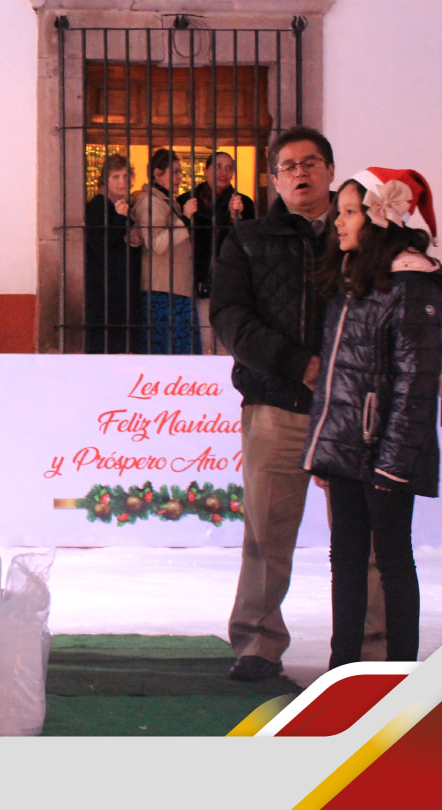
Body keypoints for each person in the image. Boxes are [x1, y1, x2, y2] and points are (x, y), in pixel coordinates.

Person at [211, 126, 365, 681]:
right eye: (289, 165)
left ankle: (369, 649)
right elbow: (229, 317)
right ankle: (257, 644)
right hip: (275, 404)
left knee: (360, 536)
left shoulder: (361, 234)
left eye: (312, 162)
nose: (301, 172)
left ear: (329, 171)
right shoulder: (248, 238)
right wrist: (296, 363)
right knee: (267, 533)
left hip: (348, 409)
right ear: (273, 178)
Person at [302, 168, 441, 669]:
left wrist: (395, 463)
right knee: (347, 561)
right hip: (347, 449)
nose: (338, 222)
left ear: (380, 217)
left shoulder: (412, 283)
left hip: (385, 455)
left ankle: (401, 674)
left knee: (393, 561)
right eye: (339, 212)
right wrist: (326, 448)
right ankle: (342, 670)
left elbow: (417, 383)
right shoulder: (351, 279)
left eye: (349, 212)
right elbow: (338, 374)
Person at [178, 151, 255, 353]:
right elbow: (179, 240)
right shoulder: (186, 201)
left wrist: (235, 219)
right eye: (218, 166)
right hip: (196, 277)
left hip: (230, 280)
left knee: (226, 343)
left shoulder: (244, 203)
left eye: (229, 168)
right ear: (206, 170)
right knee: (202, 340)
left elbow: (250, 244)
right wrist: (187, 217)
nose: (224, 172)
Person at [132, 148, 200, 354]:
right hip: (161, 292)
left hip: (176, 290)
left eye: (181, 172)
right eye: (175, 172)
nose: (180, 178)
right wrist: (185, 220)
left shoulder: (167, 202)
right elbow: (157, 244)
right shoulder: (149, 203)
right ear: (157, 173)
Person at [84, 153, 144, 353]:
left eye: (126, 177)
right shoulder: (99, 205)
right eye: (116, 177)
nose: (122, 182)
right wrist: (119, 219)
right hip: (105, 292)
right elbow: (98, 243)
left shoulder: (123, 206)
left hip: (122, 291)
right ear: (105, 180)